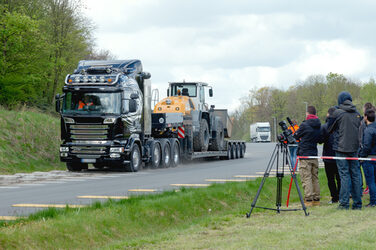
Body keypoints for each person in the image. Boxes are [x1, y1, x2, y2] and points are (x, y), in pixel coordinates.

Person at [328, 91, 362, 210]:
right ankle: (357, 203)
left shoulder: (337, 113)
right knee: (356, 175)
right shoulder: (357, 113)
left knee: (344, 175)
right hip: (354, 148)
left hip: (341, 148)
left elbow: (328, 129)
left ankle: (344, 204)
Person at [294, 106, 321, 206]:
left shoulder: (304, 125)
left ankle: (308, 199)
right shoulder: (318, 125)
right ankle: (316, 198)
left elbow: (296, 136)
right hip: (314, 154)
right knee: (315, 177)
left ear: (307, 114)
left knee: (306, 177)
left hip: (305, 154)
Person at [320, 107, 341, 204]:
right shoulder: (340, 125)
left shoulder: (325, 127)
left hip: (328, 156)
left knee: (330, 179)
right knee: (339, 177)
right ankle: (340, 195)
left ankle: (334, 197)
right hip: (338, 154)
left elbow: (321, 140)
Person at [359, 109, 376, 207]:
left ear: (365, 117)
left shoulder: (368, 130)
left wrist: (361, 155)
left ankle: (373, 201)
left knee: (371, 181)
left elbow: (366, 146)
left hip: (369, 158)